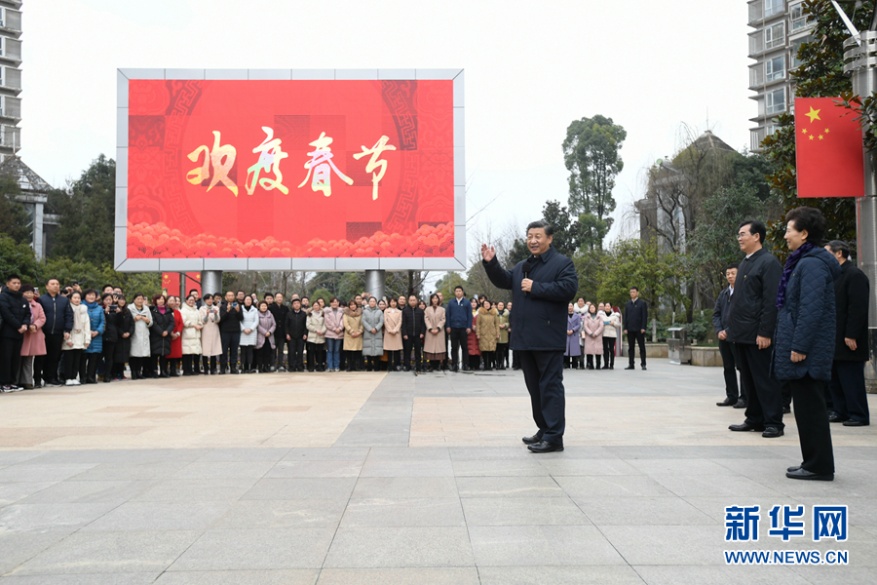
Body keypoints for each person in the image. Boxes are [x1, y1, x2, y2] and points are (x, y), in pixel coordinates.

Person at [482, 220, 578, 453]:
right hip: (525, 338)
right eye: (529, 237)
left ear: (549, 238)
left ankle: (555, 437)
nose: (533, 241)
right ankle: (544, 429)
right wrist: (491, 263)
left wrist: (536, 287)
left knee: (550, 387)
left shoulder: (562, 263)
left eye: (538, 236)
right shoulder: (523, 266)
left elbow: (568, 289)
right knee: (535, 387)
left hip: (548, 338)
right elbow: (506, 280)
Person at [774, 207, 839, 480]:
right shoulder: (804, 261)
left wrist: (799, 346)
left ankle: (818, 466)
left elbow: (809, 310)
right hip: (807, 350)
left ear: (804, 233)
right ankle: (811, 460)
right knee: (806, 408)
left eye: (790, 229)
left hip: (808, 352)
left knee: (811, 409)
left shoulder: (811, 264)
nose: (786, 235)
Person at [728, 219, 784, 439]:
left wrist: (765, 332)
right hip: (741, 334)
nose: (739, 238)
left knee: (765, 380)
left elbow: (771, 301)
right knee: (749, 380)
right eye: (738, 234)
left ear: (756, 236)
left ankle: (773, 422)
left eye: (743, 234)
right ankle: (754, 418)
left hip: (757, 335)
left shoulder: (768, 263)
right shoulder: (745, 263)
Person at [825, 240, 871, 427]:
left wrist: (851, 334)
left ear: (839, 253)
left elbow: (857, 308)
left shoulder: (854, 275)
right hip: (833, 338)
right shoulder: (834, 275)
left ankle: (858, 414)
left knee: (851, 378)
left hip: (849, 338)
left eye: (827, 252)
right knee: (836, 378)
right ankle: (840, 410)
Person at [713, 265, 743, 407]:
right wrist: (719, 330)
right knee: (728, 367)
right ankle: (731, 396)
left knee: (742, 368)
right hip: (723, 338)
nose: (730, 276)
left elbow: (743, 315)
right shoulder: (723, 294)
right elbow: (716, 314)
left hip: (738, 337)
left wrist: (729, 331)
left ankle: (744, 397)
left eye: (733, 273)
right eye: (727, 274)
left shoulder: (743, 293)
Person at [36, 278, 72, 387]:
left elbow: (68, 315)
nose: (55, 286)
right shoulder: (41, 299)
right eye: (52, 284)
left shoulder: (64, 300)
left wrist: (67, 329)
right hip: (44, 332)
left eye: (57, 284)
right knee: (41, 357)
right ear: (47, 286)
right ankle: (38, 379)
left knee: (55, 356)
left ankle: (52, 378)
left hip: (58, 332)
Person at [0, 275, 31, 392]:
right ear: (8, 284)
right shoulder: (3, 297)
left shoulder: (22, 299)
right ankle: (3, 382)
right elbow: (6, 313)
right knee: (5, 358)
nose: (17, 285)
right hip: (7, 333)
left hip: (20, 333)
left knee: (15, 358)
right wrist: (18, 326)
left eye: (18, 283)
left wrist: (25, 325)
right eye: (14, 283)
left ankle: (12, 381)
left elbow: (27, 314)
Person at [17, 285, 46, 390]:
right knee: (18, 359)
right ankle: (15, 381)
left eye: (31, 292)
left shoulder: (37, 305)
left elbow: (42, 318)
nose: (29, 294)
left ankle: (27, 381)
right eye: (26, 292)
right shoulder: (18, 303)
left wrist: (35, 325)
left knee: (29, 359)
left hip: (34, 334)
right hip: (22, 333)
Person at [62, 291, 90, 385]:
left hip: (80, 338)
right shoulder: (67, 309)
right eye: (75, 298)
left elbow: (87, 325)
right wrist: (68, 339)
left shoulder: (84, 310)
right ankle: (67, 378)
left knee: (77, 360)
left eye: (78, 298)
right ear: (70, 299)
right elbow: (65, 325)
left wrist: (87, 339)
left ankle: (74, 377)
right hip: (70, 337)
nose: (77, 299)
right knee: (68, 360)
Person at [81, 290, 106, 384]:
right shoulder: (81, 307)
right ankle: (83, 377)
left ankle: (91, 377)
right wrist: (87, 332)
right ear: (85, 296)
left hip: (96, 336)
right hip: (83, 336)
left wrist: (98, 331)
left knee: (94, 358)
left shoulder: (99, 308)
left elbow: (102, 322)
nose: (91, 297)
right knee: (83, 359)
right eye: (89, 295)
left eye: (93, 295)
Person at [445, 285, 472, 372]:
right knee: (454, 347)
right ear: (454, 292)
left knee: (464, 347)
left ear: (462, 292)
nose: (458, 292)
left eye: (460, 291)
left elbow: (469, 316)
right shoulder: (451, 303)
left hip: (464, 328)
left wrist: (469, 326)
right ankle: (454, 364)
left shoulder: (467, 302)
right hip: (453, 328)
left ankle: (465, 364)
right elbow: (448, 315)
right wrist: (448, 326)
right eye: (456, 291)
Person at [149, 294, 175, 378]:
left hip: (166, 336)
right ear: (155, 301)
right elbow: (154, 323)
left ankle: (163, 371)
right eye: (159, 299)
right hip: (156, 336)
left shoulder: (168, 311)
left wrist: (167, 331)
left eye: (162, 299)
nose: (161, 301)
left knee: (164, 355)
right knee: (155, 355)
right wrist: (161, 332)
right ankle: (154, 371)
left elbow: (172, 322)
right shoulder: (153, 311)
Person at [128, 294, 152, 379]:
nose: (140, 301)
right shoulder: (130, 308)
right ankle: (133, 372)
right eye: (138, 299)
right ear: (134, 299)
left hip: (144, 333)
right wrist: (134, 319)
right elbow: (127, 321)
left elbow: (151, 322)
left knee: (141, 354)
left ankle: (139, 372)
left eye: (141, 299)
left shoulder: (146, 308)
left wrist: (147, 321)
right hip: (134, 333)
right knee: (134, 354)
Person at [623, 287, 648, 370]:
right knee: (631, 348)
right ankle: (631, 364)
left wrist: (643, 327)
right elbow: (625, 317)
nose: (632, 293)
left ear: (637, 293)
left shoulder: (642, 303)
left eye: (634, 292)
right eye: (631, 292)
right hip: (630, 329)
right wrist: (625, 327)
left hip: (639, 329)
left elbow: (644, 316)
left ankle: (643, 364)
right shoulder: (627, 304)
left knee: (642, 347)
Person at [100, 292, 122, 383]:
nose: (108, 302)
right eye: (106, 300)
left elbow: (119, 323)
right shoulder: (100, 309)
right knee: (99, 357)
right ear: (103, 301)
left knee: (109, 357)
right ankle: (100, 373)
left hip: (111, 336)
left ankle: (107, 375)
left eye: (110, 300)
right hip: (101, 336)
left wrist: (119, 314)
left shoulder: (115, 310)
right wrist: (105, 312)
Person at [219, 291, 243, 374]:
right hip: (225, 331)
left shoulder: (237, 305)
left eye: (232, 295)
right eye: (229, 295)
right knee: (224, 350)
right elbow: (221, 319)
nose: (230, 297)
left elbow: (241, 318)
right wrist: (228, 310)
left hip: (235, 331)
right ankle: (223, 367)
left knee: (234, 351)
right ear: (225, 297)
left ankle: (233, 367)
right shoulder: (222, 306)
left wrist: (238, 311)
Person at [402, 294, 426, 372]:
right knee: (407, 351)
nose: (412, 302)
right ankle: (407, 366)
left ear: (416, 301)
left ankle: (418, 367)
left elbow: (423, 323)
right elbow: (403, 323)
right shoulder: (405, 311)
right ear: (408, 301)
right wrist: (404, 333)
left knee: (418, 352)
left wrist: (422, 332)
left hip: (418, 335)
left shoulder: (420, 311)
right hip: (408, 335)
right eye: (411, 300)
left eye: (414, 300)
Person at [199, 294, 222, 375]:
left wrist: (215, 314)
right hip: (205, 330)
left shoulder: (216, 308)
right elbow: (202, 321)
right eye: (208, 299)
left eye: (211, 299)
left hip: (214, 330)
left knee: (214, 350)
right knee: (205, 350)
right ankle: (205, 368)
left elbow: (217, 320)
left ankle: (213, 368)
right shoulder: (202, 308)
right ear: (205, 300)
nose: (210, 300)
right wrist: (207, 314)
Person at [181, 295, 203, 375]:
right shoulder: (183, 310)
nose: (191, 302)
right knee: (187, 353)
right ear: (186, 301)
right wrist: (193, 325)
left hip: (196, 334)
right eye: (190, 300)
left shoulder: (196, 310)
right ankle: (186, 370)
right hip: (187, 334)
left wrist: (200, 325)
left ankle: (193, 369)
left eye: (193, 300)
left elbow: (200, 320)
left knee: (194, 353)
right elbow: (184, 321)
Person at [113, 295, 134, 380]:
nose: (122, 301)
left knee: (124, 356)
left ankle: (121, 373)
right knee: (116, 356)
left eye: (123, 300)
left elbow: (132, 324)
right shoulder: (114, 310)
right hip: (118, 336)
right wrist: (121, 333)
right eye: (120, 300)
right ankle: (114, 374)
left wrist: (129, 332)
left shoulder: (127, 311)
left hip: (127, 336)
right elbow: (115, 324)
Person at [424, 293, 446, 371]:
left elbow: (443, 319)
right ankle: (431, 365)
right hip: (430, 331)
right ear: (431, 300)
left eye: (436, 298)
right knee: (430, 348)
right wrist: (430, 328)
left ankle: (438, 365)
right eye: (433, 298)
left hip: (439, 331)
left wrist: (438, 328)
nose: (435, 300)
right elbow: (426, 319)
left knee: (438, 348)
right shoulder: (427, 309)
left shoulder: (442, 309)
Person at [361, 296, 385, 372]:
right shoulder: (365, 311)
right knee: (368, 350)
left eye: (374, 301)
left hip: (377, 333)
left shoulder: (379, 311)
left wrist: (376, 328)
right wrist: (370, 329)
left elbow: (381, 322)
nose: (372, 303)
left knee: (377, 350)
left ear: (376, 303)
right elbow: (363, 321)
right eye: (371, 301)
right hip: (368, 333)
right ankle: (369, 367)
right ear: (368, 303)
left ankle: (376, 367)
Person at [285, 298, 308, 372]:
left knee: (300, 352)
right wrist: (287, 334)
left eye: (298, 303)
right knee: (291, 352)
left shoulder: (303, 314)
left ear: (300, 304)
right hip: (291, 337)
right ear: (292, 305)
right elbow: (286, 325)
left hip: (301, 336)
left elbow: (305, 325)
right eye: (295, 304)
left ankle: (300, 366)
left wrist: (305, 334)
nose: (296, 305)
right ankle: (292, 366)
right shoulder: (289, 314)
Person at [268, 293, 289, 372]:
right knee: (273, 350)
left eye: (281, 297)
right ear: (275, 298)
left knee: (281, 350)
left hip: (282, 333)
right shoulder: (271, 308)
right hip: (273, 332)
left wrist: (287, 332)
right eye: (278, 297)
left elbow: (287, 321)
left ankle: (280, 365)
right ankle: (272, 364)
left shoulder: (286, 308)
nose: (279, 299)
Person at [343, 299, 364, 372]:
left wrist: (359, 331)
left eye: (354, 304)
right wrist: (351, 331)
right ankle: (349, 366)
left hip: (358, 334)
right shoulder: (346, 314)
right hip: (349, 335)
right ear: (349, 306)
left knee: (357, 352)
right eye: (351, 305)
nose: (353, 306)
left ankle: (357, 366)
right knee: (349, 352)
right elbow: (345, 323)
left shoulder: (360, 313)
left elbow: (362, 323)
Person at [324, 297, 345, 372]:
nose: (334, 303)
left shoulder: (341, 311)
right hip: (330, 333)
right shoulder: (327, 311)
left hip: (339, 334)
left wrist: (340, 328)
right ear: (330, 303)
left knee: (337, 351)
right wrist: (334, 329)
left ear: (338, 303)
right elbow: (327, 322)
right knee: (330, 350)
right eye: (333, 302)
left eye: (336, 302)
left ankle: (336, 366)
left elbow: (343, 320)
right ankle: (330, 366)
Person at [239, 295, 259, 374]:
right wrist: (243, 329)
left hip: (252, 332)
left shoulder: (255, 310)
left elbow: (256, 321)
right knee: (243, 351)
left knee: (250, 351)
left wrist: (251, 329)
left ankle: (250, 367)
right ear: (244, 301)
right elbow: (238, 320)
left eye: (249, 300)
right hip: (242, 332)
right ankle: (244, 367)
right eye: (246, 299)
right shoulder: (240, 309)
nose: (248, 301)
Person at [255, 300, 276, 373]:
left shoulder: (270, 314)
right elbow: (257, 325)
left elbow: (274, 324)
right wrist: (264, 332)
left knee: (268, 353)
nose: (264, 307)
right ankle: (260, 367)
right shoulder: (256, 314)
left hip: (269, 337)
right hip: (261, 336)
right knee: (260, 353)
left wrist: (270, 332)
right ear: (259, 307)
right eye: (262, 306)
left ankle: (266, 366)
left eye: (265, 306)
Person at [383, 297, 403, 371]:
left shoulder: (399, 311)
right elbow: (385, 321)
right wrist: (389, 330)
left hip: (396, 333)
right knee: (389, 350)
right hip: (388, 333)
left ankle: (396, 365)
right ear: (389, 303)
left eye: (394, 302)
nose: (393, 303)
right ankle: (390, 366)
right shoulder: (386, 311)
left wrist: (395, 330)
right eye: (391, 302)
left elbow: (400, 321)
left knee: (397, 350)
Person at [583, 302, 605, 370]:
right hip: (589, 336)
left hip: (597, 336)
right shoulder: (587, 317)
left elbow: (601, 326)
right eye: (591, 308)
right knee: (589, 351)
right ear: (589, 309)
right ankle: (590, 365)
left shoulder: (599, 317)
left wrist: (596, 333)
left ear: (596, 309)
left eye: (593, 307)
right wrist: (590, 333)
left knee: (598, 351)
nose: (592, 309)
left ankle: (598, 365)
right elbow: (585, 326)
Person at [306, 301, 327, 371]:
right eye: (314, 305)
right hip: (312, 335)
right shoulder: (310, 314)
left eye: (317, 305)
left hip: (321, 335)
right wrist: (316, 330)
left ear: (319, 306)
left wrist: (322, 331)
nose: (316, 307)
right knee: (311, 352)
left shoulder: (323, 314)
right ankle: (311, 367)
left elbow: (325, 324)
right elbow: (308, 325)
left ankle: (320, 366)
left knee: (320, 352)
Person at [166, 296, 184, 376]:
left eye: (174, 301)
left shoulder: (177, 312)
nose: (173, 302)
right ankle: (165, 370)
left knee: (175, 354)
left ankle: (173, 371)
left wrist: (178, 333)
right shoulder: (165, 311)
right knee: (167, 354)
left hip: (176, 336)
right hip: (167, 335)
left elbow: (181, 323)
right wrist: (170, 333)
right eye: (170, 300)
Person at [601, 302, 620, 370]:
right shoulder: (601, 315)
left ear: (611, 307)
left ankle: (612, 364)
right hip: (604, 333)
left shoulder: (615, 315)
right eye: (606, 306)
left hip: (612, 334)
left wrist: (613, 323)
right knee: (605, 349)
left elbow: (618, 325)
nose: (607, 307)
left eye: (608, 306)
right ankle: (606, 364)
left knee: (611, 349)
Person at [564, 302, 582, 369]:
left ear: (573, 307)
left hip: (574, 334)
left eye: (571, 306)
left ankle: (575, 364)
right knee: (566, 350)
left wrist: (573, 330)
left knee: (574, 350)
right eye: (568, 306)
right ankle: (566, 364)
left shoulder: (577, 316)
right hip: (566, 334)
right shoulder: (564, 314)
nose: (570, 307)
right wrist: (566, 330)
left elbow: (579, 325)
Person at [467, 298, 481, 370]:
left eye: (475, 302)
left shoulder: (480, 312)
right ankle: (470, 364)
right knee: (469, 348)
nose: (473, 304)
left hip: (477, 333)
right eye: (471, 302)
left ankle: (477, 365)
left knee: (477, 349)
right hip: (469, 333)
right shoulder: (467, 311)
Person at [496, 301, 510, 370]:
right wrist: (497, 325)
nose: (500, 306)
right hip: (496, 334)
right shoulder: (495, 314)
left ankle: (502, 364)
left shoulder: (506, 314)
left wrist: (505, 325)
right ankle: (497, 364)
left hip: (504, 333)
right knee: (497, 350)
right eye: (499, 305)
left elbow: (509, 322)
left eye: (502, 305)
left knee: (503, 351)